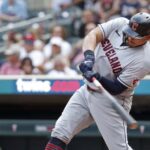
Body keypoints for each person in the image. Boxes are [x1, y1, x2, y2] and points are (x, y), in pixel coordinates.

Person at [44, 12, 150, 150]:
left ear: (148, 37)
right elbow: (93, 35)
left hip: (112, 100)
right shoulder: (120, 23)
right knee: (59, 133)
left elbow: (116, 88)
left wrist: (97, 77)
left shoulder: (144, 60)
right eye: (129, 32)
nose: (129, 37)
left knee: (119, 148)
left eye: (135, 37)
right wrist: (89, 57)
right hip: (87, 90)